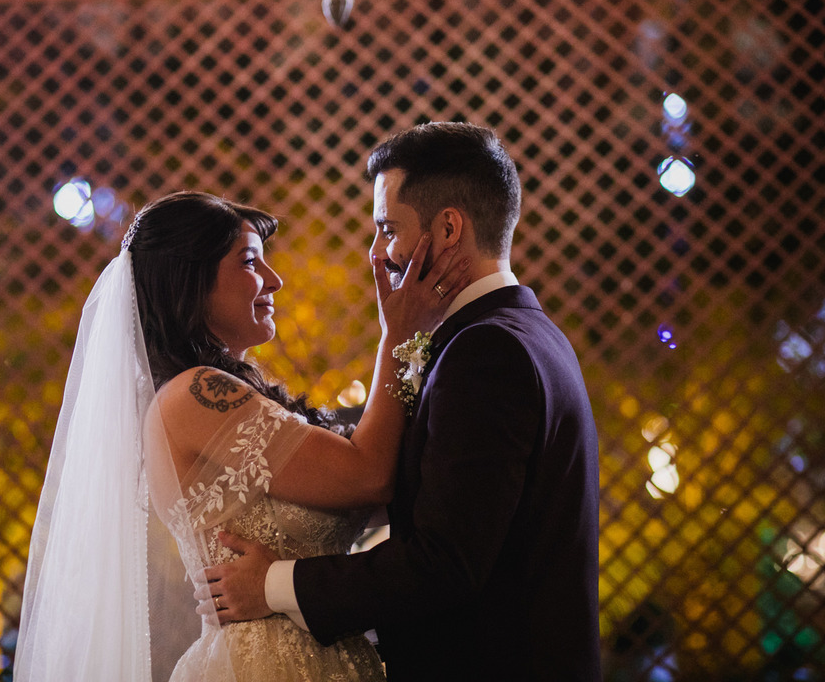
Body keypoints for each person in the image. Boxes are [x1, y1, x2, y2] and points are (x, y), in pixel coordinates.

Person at [13, 191, 469, 682]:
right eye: (250, 262)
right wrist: (397, 337)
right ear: (190, 281)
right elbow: (367, 474)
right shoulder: (193, 395)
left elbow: (381, 484)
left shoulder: (227, 393)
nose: (274, 281)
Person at [205, 123, 602, 680]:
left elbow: (445, 562)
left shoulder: (485, 353)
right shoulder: (529, 334)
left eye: (388, 230)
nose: (377, 254)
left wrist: (273, 583)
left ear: (447, 229)